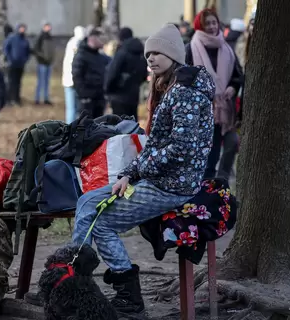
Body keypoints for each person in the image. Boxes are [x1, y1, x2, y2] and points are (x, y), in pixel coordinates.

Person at [72, 24, 215, 317]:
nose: (150, 58)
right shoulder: (175, 87)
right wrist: (129, 174)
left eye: (157, 52)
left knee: (99, 220)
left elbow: (181, 149)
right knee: (86, 202)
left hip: (172, 186)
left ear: (174, 54)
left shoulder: (186, 91)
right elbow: (156, 148)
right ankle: (73, 280)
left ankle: (113, 294)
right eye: (148, 53)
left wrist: (139, 171)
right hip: (159, 178)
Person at [186, 8, 243, 180]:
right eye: (207, 23)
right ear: (200, 26)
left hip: (224, 108)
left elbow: (238, 75)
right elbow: (184, 77)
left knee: (225, 146)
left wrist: (233, 86)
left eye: (214, 22)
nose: (211, 27)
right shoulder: (191, 48)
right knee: (207, 154)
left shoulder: (227, 48)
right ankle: (204, 187)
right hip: (202, 109)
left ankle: (218, 184)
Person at [104, 27, 148, 118]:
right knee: (132, 124)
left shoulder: (122, 52)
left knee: (120, 125)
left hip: (118, 95)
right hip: (134, 94)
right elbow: (144, 75)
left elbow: (112, 72)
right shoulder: (140, 53)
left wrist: (107, 89)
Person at [72, 26, 109, 118]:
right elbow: (77, 76)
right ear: (92, 38)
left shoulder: (100, 56)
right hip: (87, 101)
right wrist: (85, 96)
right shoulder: (81, 55)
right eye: (100, 38)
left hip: (99, 99)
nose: (102, 41)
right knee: (85, 128)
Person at [62, 26, 86, 123]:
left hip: (68, 80)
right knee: (74, 108)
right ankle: (72, 128)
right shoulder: (79, 45)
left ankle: (70, 127)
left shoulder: (70, 43)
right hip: (74, 81)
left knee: (71, 108)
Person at [3, 23, 31, 106]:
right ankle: (9, 99)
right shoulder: (12, 38)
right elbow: (6, 48)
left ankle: (16, 99)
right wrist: (9, 59)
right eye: (21, 28)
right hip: (12, 64)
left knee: (18, 82)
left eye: (23, 28)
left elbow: (28, 51)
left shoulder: (25, 40)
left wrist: (25, 60)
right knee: (11, 82)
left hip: (21, 64)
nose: (22, 30)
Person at [33, 22, 55, 105]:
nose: (48, 28)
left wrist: (51, 58)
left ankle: (46, 98)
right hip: (42, 63)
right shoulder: (40, 37)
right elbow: (36, 50)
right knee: (40, 82)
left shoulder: (50, 37)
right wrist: (43, 57)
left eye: (49, 26)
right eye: (46, 26)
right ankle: (37, 99)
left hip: (48, 63)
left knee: (47, 82)